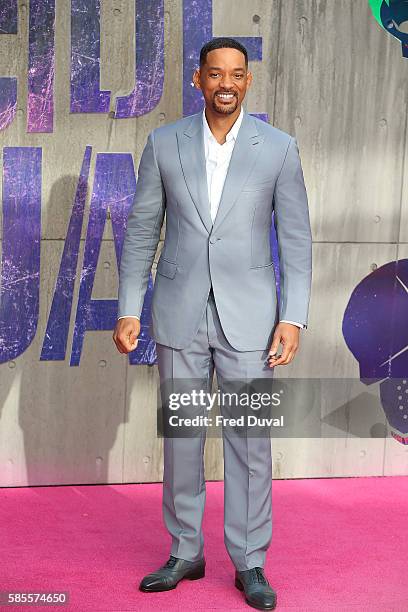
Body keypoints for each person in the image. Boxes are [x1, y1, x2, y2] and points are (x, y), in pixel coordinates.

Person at [113, 36, 312, 611]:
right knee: (181, 439)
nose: (227, 82)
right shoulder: (163, 142)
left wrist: (292, 317)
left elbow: (296, 241)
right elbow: (141, 231)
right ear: (198, 79)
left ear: (248, 81)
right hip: (179, 311)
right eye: (215, 72)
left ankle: (250, 561)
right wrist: (130, 306)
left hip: (252, 318)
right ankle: (185, 550)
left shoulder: (277, 148)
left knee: (250, 443)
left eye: (237, 74)